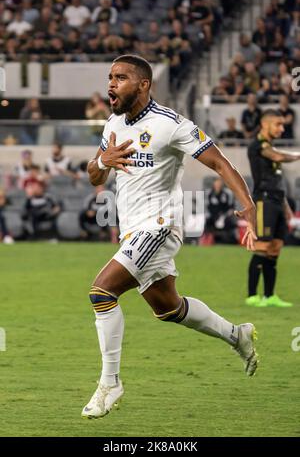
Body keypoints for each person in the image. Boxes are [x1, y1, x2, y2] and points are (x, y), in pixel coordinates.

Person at [82, 54, 258, 419]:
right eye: (110, 77)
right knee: (169, 308)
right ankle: (236, 335)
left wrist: (249, 205)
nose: (111, 84)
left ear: (144, 84)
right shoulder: (113, 123)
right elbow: (95, 176)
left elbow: (220, 163)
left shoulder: (172, 125)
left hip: (159, 225)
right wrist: (102, 162)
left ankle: (110, 383)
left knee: (102, 292)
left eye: (121, 77)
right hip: (132, 230)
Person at [246, 110, 300, 308]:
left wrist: (286, 207)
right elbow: (277, 155)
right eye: (278, 124)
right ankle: (252, 296)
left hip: (277, 201)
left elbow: (278, 181)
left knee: (274, 250)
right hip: (264, 201)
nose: (282, 128)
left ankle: (270, 296)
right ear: (265, 124)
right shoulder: (257, 146)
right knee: (261, 248)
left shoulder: (272, 148)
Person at [205, 177, 237, 244]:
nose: (217, 184)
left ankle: (228, 240)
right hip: (213, 216)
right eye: (216, 182)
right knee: (207, 221)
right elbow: (208, 207)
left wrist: (224, 216)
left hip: (225, 215)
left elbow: (231, 207)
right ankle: (208, 240)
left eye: (219, 182)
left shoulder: (227, 193)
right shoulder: (210, 194)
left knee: (229, 221)